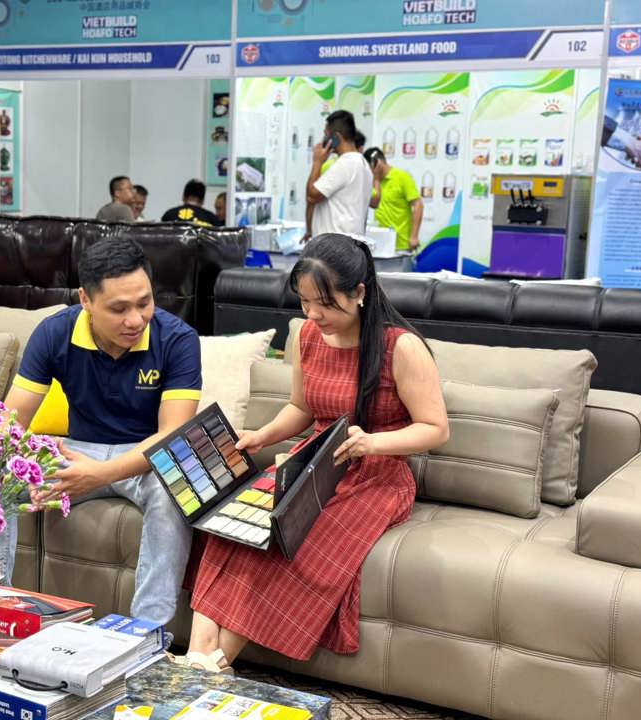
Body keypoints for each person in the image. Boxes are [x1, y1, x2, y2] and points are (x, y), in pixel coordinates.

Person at [177, 234, 449, 673]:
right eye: (304, 302)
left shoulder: (402, 347)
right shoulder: (307, 335)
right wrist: (262, 436)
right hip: (312, 463)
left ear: (359, 293)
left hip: (375, 475)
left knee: (289, 538)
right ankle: (198, 657)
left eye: (324, 303)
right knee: (235, 524)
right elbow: (302, 408)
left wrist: (372, 442)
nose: (312, 314)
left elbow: (435, 429)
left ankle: (216, 662)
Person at [1, 238, 202, 624]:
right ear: (86, 300)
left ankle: (147, 632)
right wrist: (21, 465)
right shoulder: (54, 332)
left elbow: (172, 437)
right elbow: (9, 424)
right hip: (76, 450)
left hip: (146, 460)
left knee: (176, 488)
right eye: (119, 308)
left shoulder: (177, 339)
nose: (135, 319)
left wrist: (98, 475)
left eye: (144, 302)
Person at [304, 111, 373, 240]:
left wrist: (317, 162)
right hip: (349, 245)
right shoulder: (363, 164)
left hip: (334, 247)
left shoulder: (345, 164)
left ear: (335, 137)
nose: (323, 140)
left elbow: (311, 196)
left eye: (326, 135)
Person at [364, 147, 423, 254]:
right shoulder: (373, 182)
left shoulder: (402, 177)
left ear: (378, 164)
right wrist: (375, 179)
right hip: (380, 243)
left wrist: (414, 236)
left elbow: (418, 204)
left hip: (400, 245)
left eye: (370, 169)